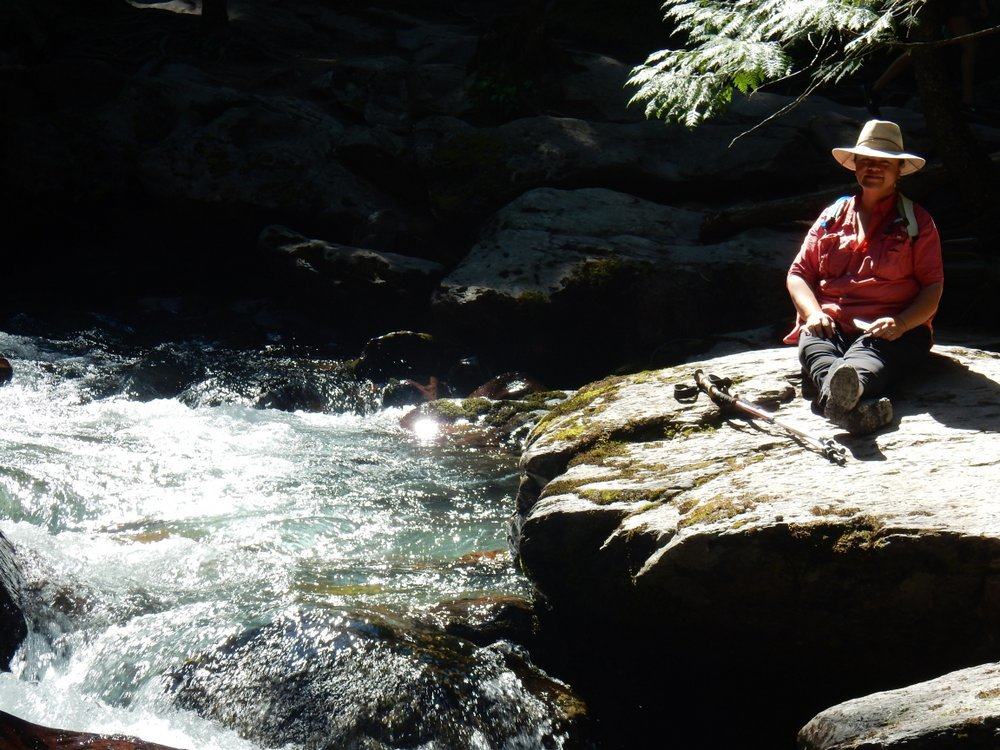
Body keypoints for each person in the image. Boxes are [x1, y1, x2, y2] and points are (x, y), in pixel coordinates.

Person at [784, 120, 944, 435]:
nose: (873, 168)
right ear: (855, 165)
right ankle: (849, 405)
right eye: (866, 161)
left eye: (883, 163)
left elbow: (932, 288)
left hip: (891, 334)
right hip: (830, 327)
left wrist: (901, 323)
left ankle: (835, 394)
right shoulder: (832, 217)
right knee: (814, 347)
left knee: (864, 360)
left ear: (899, 171)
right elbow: (799, 274)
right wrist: (814, 313)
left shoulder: (918, 223)